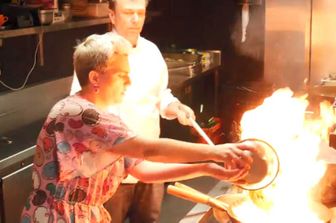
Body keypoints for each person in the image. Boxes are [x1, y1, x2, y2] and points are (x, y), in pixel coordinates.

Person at [21, 33, 253, 223]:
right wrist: (218, 151)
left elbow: (143, 169)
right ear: (94, 78)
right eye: (122, 75)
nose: (129, 83)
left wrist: (207, 168)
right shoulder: (78, 112)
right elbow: (147, 150)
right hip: (57, 217)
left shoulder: (107, 119)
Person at [69, 0, 202, 222]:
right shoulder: (95, 54)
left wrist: (175, 107)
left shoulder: (151, 51)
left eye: (140, 13)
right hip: (109, 172)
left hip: (150, 165)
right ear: (112, 15)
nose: (135, 19)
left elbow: (161, 95)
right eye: (128, 12)